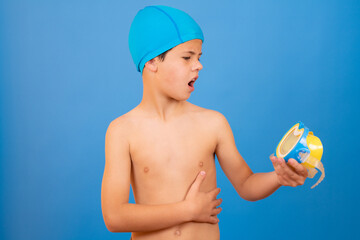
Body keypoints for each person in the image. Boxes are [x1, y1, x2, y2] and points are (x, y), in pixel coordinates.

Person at [101, 5, 308, 240]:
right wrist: (187, 210)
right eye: (187, 57)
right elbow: (114, 216)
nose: (198, 65)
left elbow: (247, 184)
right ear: (151, 62)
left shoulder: (213, 124)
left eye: (199, 57)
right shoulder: (122, 131)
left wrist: (278, 178)